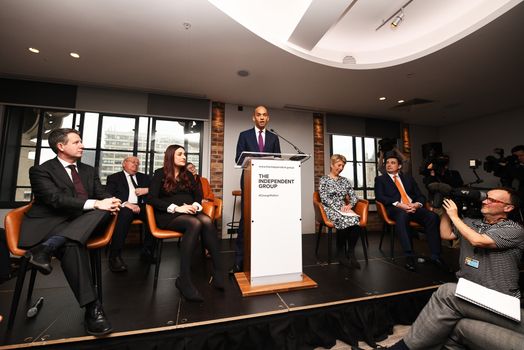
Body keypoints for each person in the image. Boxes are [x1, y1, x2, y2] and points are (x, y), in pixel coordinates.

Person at [379, 187, 524, 350]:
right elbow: (446, 234)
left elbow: (478, 241)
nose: (485, 201)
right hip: (471, 294)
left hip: (500, 299)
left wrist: (455, 216)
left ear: (508, 208)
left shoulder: (514, 230)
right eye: (486, 198)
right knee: (454, 326)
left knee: (446, 293)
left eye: (492, 200)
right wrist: (448, 212)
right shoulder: (471, 223)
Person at [19, 128, 121, 336]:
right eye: (77, 142)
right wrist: (96, 203)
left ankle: (47, 248)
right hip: (54, 221)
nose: (82, 145)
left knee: (106, 210)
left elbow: (102, 194)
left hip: (86, 222)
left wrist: (111, 200)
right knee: (73, 243)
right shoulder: (41, 170)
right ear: (61, 146)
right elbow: (55, 200)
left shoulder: (89, 170)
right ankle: (93, 308)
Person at [147, 144, 224, 302]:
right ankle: (184, 280)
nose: (184, 157)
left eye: (185, 154)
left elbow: (198, 196)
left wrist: (195, 206)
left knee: (207, 222)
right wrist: (177, 208)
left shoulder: (188, 174)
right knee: (194, 224)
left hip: (190, 212)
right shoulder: (159, 173)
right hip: (168, 215)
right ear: (170, 156)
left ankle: (217, 272)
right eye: (180, 154)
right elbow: (151, 198)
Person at [230, 105, 281, 274]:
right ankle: (239, 261)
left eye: (264, 115)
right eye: (258, 115)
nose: (261, 117)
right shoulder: (244, 135)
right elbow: (238, 159)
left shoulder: (274, 137)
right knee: (246, 220)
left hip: (269, 184)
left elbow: (278, 160)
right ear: (254, 118)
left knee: (267, 220)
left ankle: (266, 259)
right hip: (249, 180)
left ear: (268, 118)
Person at [374, 153, 446, 271]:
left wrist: (416, 205)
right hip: (395, 209)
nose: (389, 165)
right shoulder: (380, 179)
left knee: (432, 217)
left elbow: (420, 196)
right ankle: (409, 256)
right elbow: (380, 197)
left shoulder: (408, 179)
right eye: (387, 163)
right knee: (403, 215)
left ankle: (436, 256)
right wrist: (400, 204)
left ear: (400, 166)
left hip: (413, 208)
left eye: (393, 163)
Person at [106, 156, 154, 272]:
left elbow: (158, 190)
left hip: (142, 206)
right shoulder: (114, 177)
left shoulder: (144, 177)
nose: (135, 165)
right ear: (124, 164)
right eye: (133, 162)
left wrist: (147, 190)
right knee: (125, 214)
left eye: (138, 163)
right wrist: (125, 203)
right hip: (124, 206)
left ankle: (147, 252)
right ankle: (115, 256)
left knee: (154, 215)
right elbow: (108, 194)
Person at [319, 154, 362, 269]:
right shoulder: (324, 179)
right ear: (332, 165)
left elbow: (354, 197)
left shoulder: (345, 181)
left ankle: (351, 252)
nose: (341, 168)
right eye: (339, 165)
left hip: (343, 208)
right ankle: (340, 251)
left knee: (356, 220)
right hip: (330, 207)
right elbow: (324, 198)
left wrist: (350, 205)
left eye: (343, 166)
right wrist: (337, 208)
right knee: (343, 220)